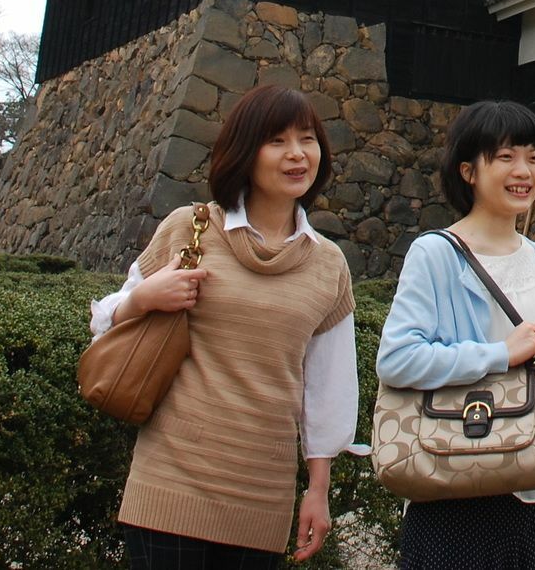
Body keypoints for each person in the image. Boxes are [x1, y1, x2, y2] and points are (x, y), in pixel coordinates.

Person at [90, 84, 358, 568]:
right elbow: (105, 322)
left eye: (307, 139)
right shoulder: (188, 228)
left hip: (261, 491)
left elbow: (328, 388)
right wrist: (143, 300)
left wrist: (318, 490)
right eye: (277, 141)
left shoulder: (328, 265)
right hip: (169, 481)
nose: (297, 154)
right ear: (244, 153)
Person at [376, 100, 535, 570]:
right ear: (468, 171)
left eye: (532, 157)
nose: (523, 171)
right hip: (453, 479)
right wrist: (500, 354)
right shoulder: (435, 254)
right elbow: (397, 359)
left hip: (533, 483)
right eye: (505, 156)